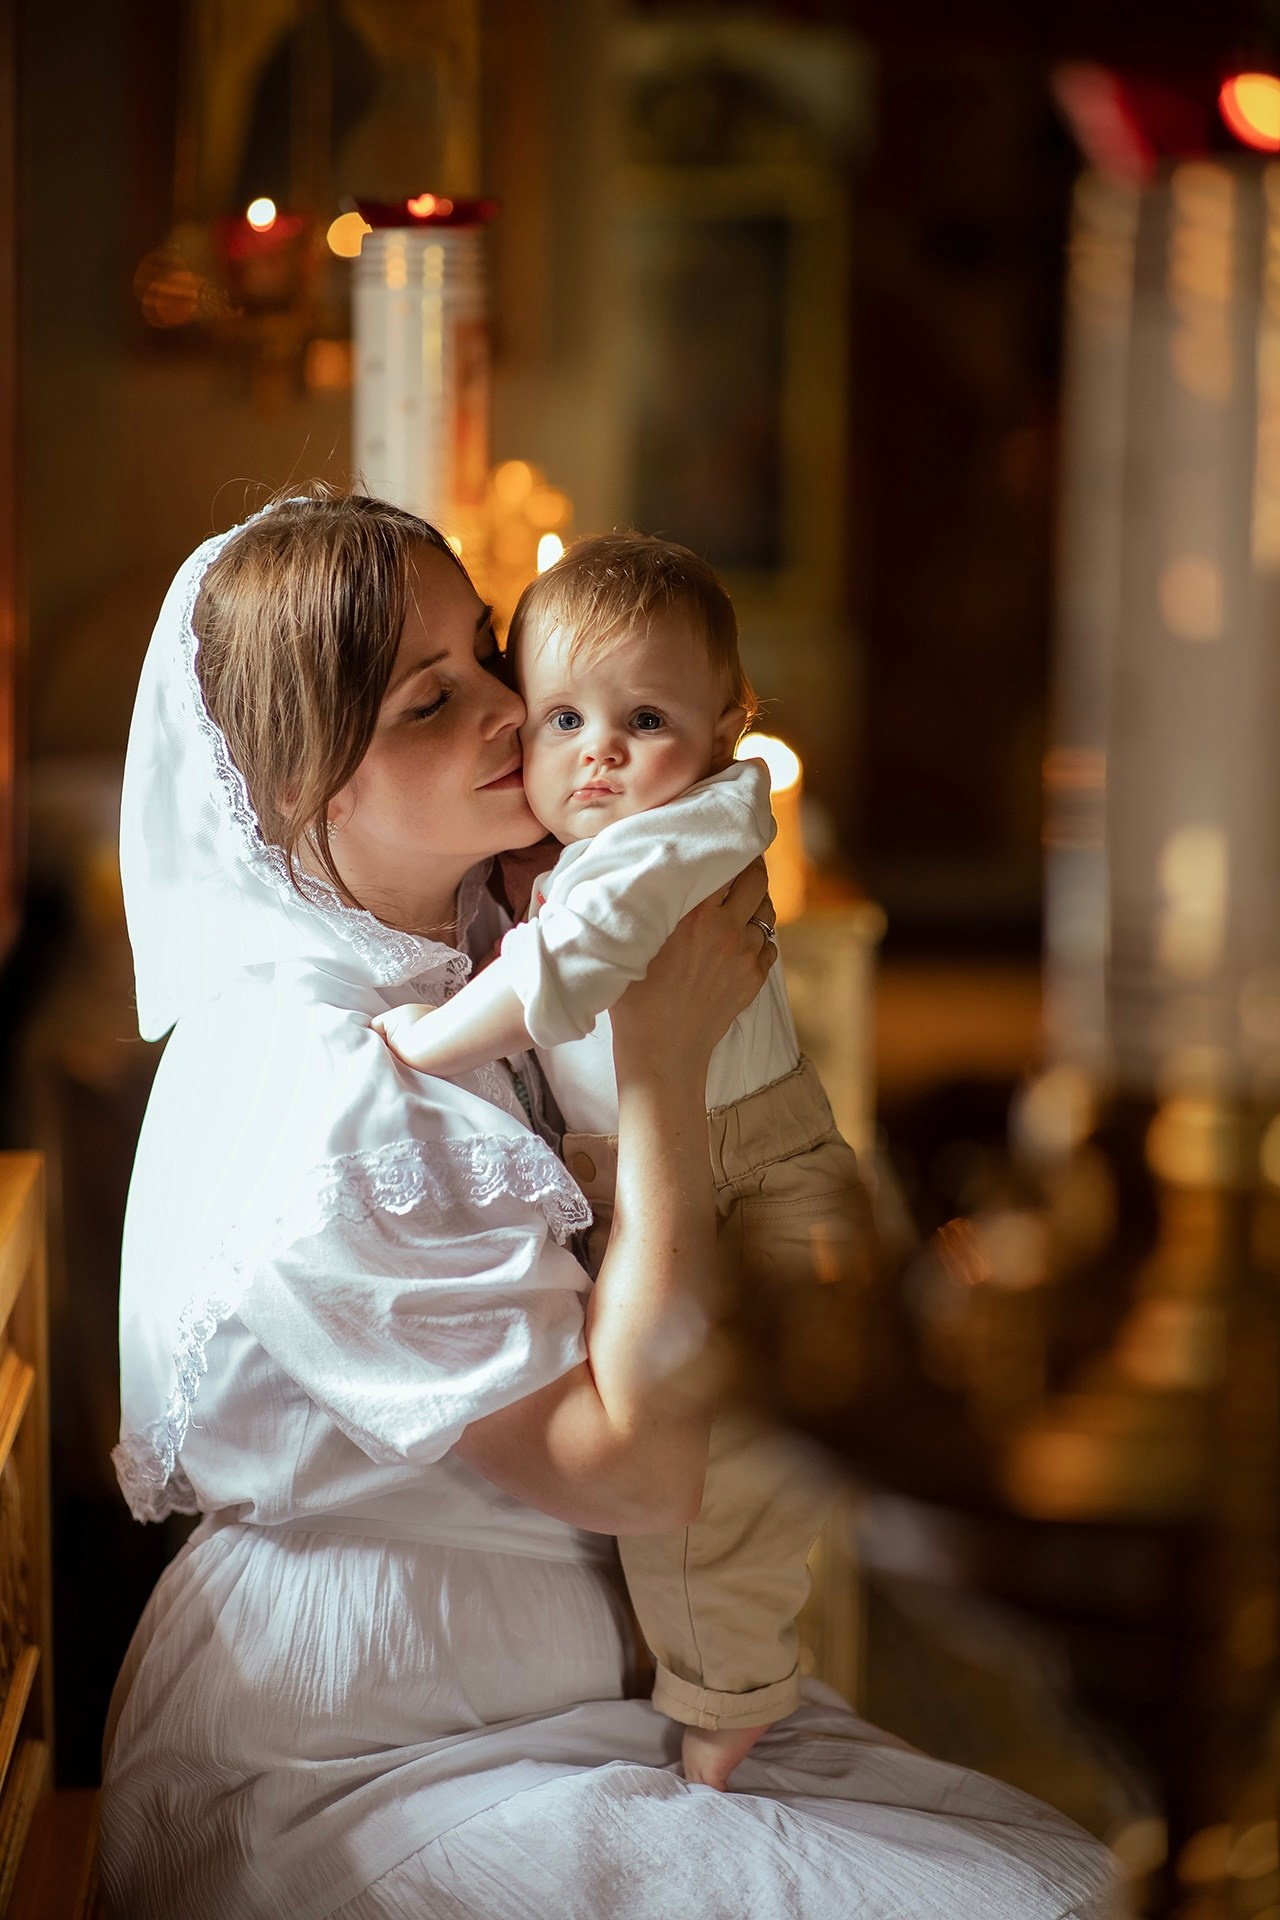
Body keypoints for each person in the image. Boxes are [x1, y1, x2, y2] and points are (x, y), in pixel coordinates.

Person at [102, 489, 1117, 1920]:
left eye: (488, 651)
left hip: (590, 1697)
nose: (514, 712)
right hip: (376, 1745)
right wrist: (662, 1074)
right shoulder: (314, 1083)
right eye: (426, 701)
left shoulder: (473, 944)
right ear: (300, 787)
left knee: (1078, 1882)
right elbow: (635, 1474)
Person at [374, 532, 873, 1792]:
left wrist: (428, 1044)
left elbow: (573, 964)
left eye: (641, 717)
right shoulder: (598, 839)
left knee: (725, 1500)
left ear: (722, 730)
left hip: (753, 1179)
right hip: (683, 1166)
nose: (595, 751)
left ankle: (729, 1707)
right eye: (560, 719)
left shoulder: (680, 837)